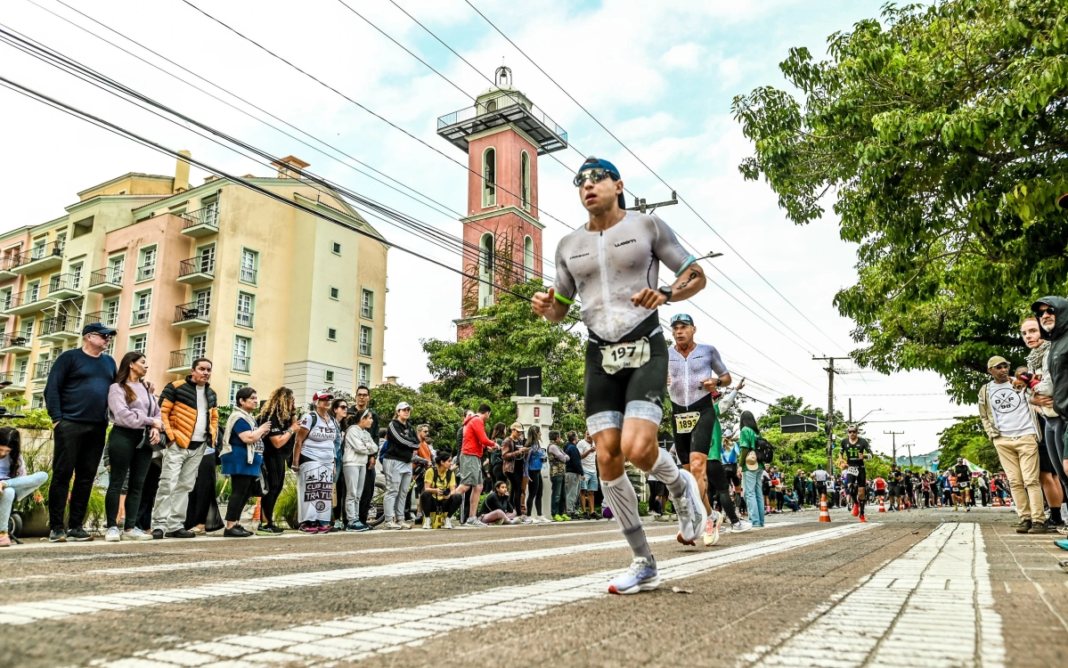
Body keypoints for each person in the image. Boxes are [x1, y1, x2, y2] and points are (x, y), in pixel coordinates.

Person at [532, 156, 708, 594]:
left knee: (636, 447)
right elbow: (560, 308)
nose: (588, 185)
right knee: (608, 455)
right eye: (580, 180)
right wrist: (547, 307)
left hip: (645, 343)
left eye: (597, 178)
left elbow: (697, 275)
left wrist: (666, 292)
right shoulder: (567, 245)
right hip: (599, 353)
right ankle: (643, 561)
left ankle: (679, 483)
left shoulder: (647, 226)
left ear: (618, 184)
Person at [43, 322, 118, 542]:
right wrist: (57, 420)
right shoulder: (69, 358)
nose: (108, 339)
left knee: (86, 478)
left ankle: (76, 527)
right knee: (62, 476)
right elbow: (52, 388)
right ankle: (56, 528)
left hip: (97, 426)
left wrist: (143, 385)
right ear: (88, 337)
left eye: (109, 336)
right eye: (104, 335)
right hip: (70, 424)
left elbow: (118, 388)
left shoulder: (109, 362)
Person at [666, 313, 731, 521]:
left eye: (683, 327)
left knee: (696, 465)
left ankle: (703, 518)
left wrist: (717, 382)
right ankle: (710, 516)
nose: (679, 331)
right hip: (679, 413)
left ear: (693, 329)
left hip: (702, 409)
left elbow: (726, 377)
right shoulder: (665, 354)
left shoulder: (707, 351)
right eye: (675, 328)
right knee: (687, 473)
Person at [978, 355, 1047, 533]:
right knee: (1015, 481)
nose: (1003, 369)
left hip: (1026, 437)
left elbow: (1036, 395)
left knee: (1031, 480)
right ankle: (1025, 518)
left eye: (1005, 366)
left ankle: (1039, 520)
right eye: (998, 367)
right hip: (1003, 440)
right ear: (990, 371)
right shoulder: (985, 390)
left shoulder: (1019, 383)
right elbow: (984, 415)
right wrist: (993, 436)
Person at [152, 358, 218, 540]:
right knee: (168, 483)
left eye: (208, 370)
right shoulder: (175, 387)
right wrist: (171, 438)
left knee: (185, 486)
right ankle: (158, 524)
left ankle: (175, 525)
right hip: (178, 445)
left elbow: (214, 417)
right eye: (202, 369)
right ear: (193, 370)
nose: (205, 372)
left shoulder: (211, 393)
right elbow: (162, 412)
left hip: (199, 447)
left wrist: (211, 436)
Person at [104, 352, 162, 542]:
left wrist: (155, 427)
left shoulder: (147, 389)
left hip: (144, 438)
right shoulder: (117, 388)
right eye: (142, 363)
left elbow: (157, 413)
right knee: (117, 482)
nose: (146, 366)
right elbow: (123, 416)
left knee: (138, 484)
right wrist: (151, 422)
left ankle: (130, 527)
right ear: (131, 364)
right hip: (122, 436)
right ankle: (112, 526)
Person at [1022, 316, 1067, 529]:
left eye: (1033, 331)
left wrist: (1034, 393)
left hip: (1060, 416)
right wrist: (1033, 398)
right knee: (1059, 472)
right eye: (1024, 333)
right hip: (1045, 419)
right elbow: (1030, 394)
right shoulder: (1032, 359)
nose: (1029, 336)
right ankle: (1060, 517)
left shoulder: (1054, 351)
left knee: (1059, 471)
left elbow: (1048, 388)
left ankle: (1058, 515)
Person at [220, 387, 271, 538]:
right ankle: (230, 525)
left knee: (246, 492)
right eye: (252, 398)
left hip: (249, 460)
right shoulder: (239, 417)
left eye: (256, 398)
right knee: (239, 491)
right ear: (241, 401)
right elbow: (247, 438)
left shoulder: (248, 417)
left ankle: (235, 522)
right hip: (240, 459)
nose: (255, 401)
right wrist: (261, 429)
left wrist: (260, 432)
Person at [704, 381, 750, 540]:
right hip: (712, 457)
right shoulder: (710, 411)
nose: (715, 400)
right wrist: (736, 389)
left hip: (698, 458)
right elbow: (726, 403)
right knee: (723, 490)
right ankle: (736, 523)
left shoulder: (693, 414)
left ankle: (709, 525)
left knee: (709, 491)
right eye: (713, 398)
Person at [293, 391, 340, 533]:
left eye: (329, 400)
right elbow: (299, 440)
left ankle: (320, 520)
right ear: (316, 402)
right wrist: (296, 462)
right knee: (310, 490)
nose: (327, 402)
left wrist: (333, 463)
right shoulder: (309, 417)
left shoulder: (332, 420)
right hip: (310, 457)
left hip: (327, 460)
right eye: (323, 399)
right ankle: (307, 522)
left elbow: (332, 443)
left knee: (324, 491)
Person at [258, 387, 298, 535]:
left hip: (280, 456)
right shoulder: (271, 417)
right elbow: (277, 442)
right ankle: (265, 522)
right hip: (272, 455)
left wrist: (293, 414)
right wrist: (292, 429)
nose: (293, 402)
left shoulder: (284, 417)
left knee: (277, 487)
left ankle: (268, 520)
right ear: (284, 400)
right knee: (272, 488)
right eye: (292, 399)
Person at [0, 428, 47, 547]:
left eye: (7, 451)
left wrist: (6, 483)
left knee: (43, 475)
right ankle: (2, 533)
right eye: (0, 449)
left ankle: (5, 484)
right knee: (9, 492)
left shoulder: (16, 456)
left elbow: (23, 479)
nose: (3, 453)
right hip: (7, 491)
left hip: (10, 485)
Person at [452, 404, 498, 526]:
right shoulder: (477, 420)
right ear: (487, 413)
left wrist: (487, 446)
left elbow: (479, 441)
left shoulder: (473, 421)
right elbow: (483, 439)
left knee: (478, 486)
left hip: (474, 455)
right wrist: (494, 444)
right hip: (470, 455)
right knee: (465, 486)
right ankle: (444, 511)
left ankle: (472, 518)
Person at [381, 402, 419, 530]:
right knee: (392, 490)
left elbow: (417, 443)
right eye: (403, 409)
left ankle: (400, 518)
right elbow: (400, 440)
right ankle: (388, 519)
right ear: (398, 411)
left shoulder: (410, 427)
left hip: (407, 461)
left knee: (403, 492)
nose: (406, 411)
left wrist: (410, 442)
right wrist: (411, 442)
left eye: (408, 410)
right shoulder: (393, 424)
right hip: (393, 460)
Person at [341, 408, 378, 531]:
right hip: (351, 463)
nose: (372, 421)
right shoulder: (352, 430)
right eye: (370, 418)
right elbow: (359, 448)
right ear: (363, 419)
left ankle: (356, 519)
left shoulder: (366, 433)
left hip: (362, 464)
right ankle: (351, 521)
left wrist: (367, 446)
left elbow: (375, 447)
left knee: (358, 494)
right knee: (351, 493)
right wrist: (368, 447)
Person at [352, 386, 379, 526]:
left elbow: (375, 437)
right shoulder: (350, 412)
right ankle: (349, 520)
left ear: (368, 397)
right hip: (352, 458)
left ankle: (362, 520)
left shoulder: (373, 415)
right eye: (359, 395)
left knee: (367, 490)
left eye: (364, 395)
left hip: (368, 456)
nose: (362, 397)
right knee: (352, 491)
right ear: (356, 396)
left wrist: (373, 456)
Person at [738, 411, 766, 529]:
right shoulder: (756, 432)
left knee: (749, 493)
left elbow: (744, 449)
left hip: (749, 465)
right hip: (759, 465)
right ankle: (760, 520)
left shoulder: (745, 430)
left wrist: (740, 465)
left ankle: (754, 521)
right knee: (758, 493)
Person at [838, 425, 871, 522]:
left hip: (860, 468)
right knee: (850, 487)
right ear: (848, 432)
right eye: (850, 432)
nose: (852, 434)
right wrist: (842, 461)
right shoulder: (844, 441)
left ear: (857, 432)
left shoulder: (863, 441)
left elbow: (871, 455)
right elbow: (841, 453)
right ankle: (855, 503)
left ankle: (862, 514)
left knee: (861, 492)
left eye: (854, 432)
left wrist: (864, 456)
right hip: (850, 467)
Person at [420, 450, 460, 529]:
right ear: (442, 462)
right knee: (425, 494)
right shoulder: (430, 471)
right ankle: (428, 519)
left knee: (457, 497)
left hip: (444, 500)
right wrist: (436, 490)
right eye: (449, 461)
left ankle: (448, 519)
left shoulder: (450, 473)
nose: (451, 463)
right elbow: (426, 488)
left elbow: (453, 490)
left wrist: (449, 495)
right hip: (433, 500)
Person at [500, 422, 529, 518]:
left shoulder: (519, 441)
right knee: (518, 489)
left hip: (519, 467)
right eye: (518, 431)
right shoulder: (507, 441)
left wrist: (524, 451)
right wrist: (517, 452)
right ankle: (519, 513)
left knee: (514, 490)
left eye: (521, 432)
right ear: (512, 430)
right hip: (511, 469)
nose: (519, 433)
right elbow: (504, 455)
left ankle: (511, 510)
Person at [330, 398, 350, 530]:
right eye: (342, 407)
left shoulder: (343, 426)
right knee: (333, 489)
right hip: (333, 459)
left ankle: (343, 519)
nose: (345, 409)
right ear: (335, 409)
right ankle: (335, 519)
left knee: (342, 490)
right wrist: (333, 462)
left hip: (342, 460)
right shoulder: (331, 423)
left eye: (346, 407)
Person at [525, 425, 549, 523]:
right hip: (532, 471)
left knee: (539, 493)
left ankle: (539, 515)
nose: (541, 433)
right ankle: (529, 516)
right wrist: (527, 475)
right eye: (539, 432)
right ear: (536, 433)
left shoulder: (537, 444)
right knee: (532, 494)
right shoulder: (530, 445)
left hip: (538, 470)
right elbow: (526, 461)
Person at [547, 430, 571, 521]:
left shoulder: (557, 447)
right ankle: (555, 513)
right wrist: (562, 457)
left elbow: (566, 457)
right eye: (559, 437)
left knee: (563, 494)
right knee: (556, 495)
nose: (560, 439)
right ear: (557, 438)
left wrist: (562, 457)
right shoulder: (553, 447)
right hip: (556, 473)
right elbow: (564, 459)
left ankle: (561, 512)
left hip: (561, 473)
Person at [579, 432, 600, 520]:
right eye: (587, 434)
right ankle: (584, 511)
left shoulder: (596, 443)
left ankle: (592, 511)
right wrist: (589, 451)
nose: (589, 436)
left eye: (590, 434)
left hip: (593, 470)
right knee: (583, 490)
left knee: (592, 491)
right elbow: (579, 456)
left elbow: (596, 457)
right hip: (584, 470)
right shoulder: (581, 443)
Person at [563, 431, 584, 517]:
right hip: (573, 472)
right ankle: (570, 510)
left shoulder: (566, 447)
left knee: (571, 491)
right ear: (575, 438)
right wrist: (581, 472)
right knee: (573, 491)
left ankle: (571, 509)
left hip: (568, 471)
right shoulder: (573, 448)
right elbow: (576, 462)